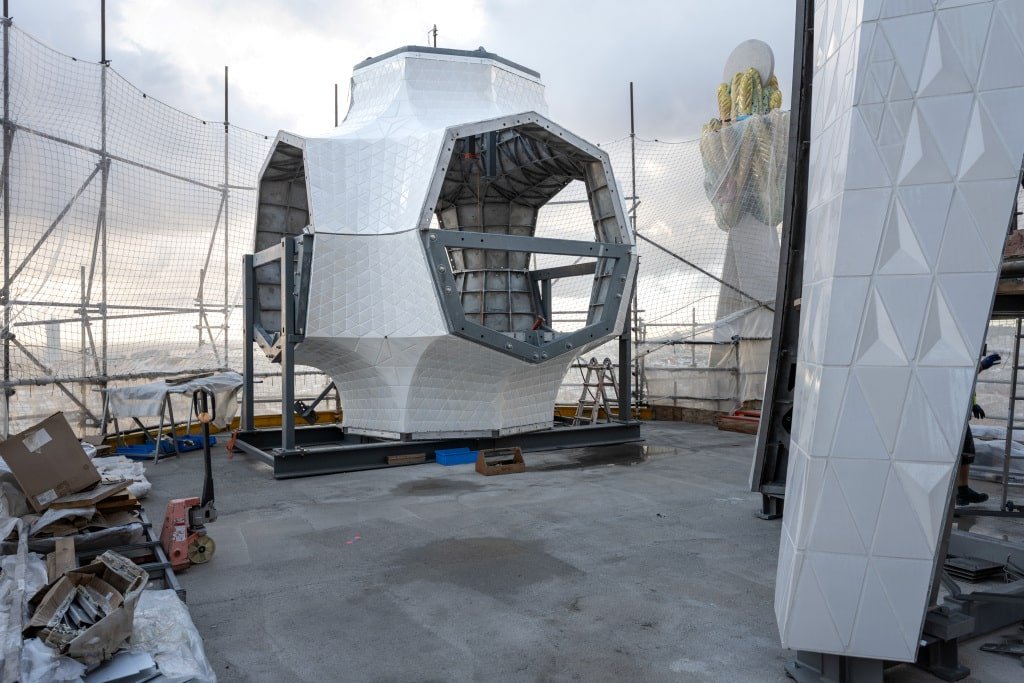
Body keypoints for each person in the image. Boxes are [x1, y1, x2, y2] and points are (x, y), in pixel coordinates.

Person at [957, 352, 1001, 506]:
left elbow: (966, 382)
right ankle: (959, 493)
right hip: (952, 417)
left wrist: (972, 404)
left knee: (965, 452)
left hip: (957, 415)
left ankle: (961, 493)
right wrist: (981, 365)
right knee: (963, 452)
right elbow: (960, 373)